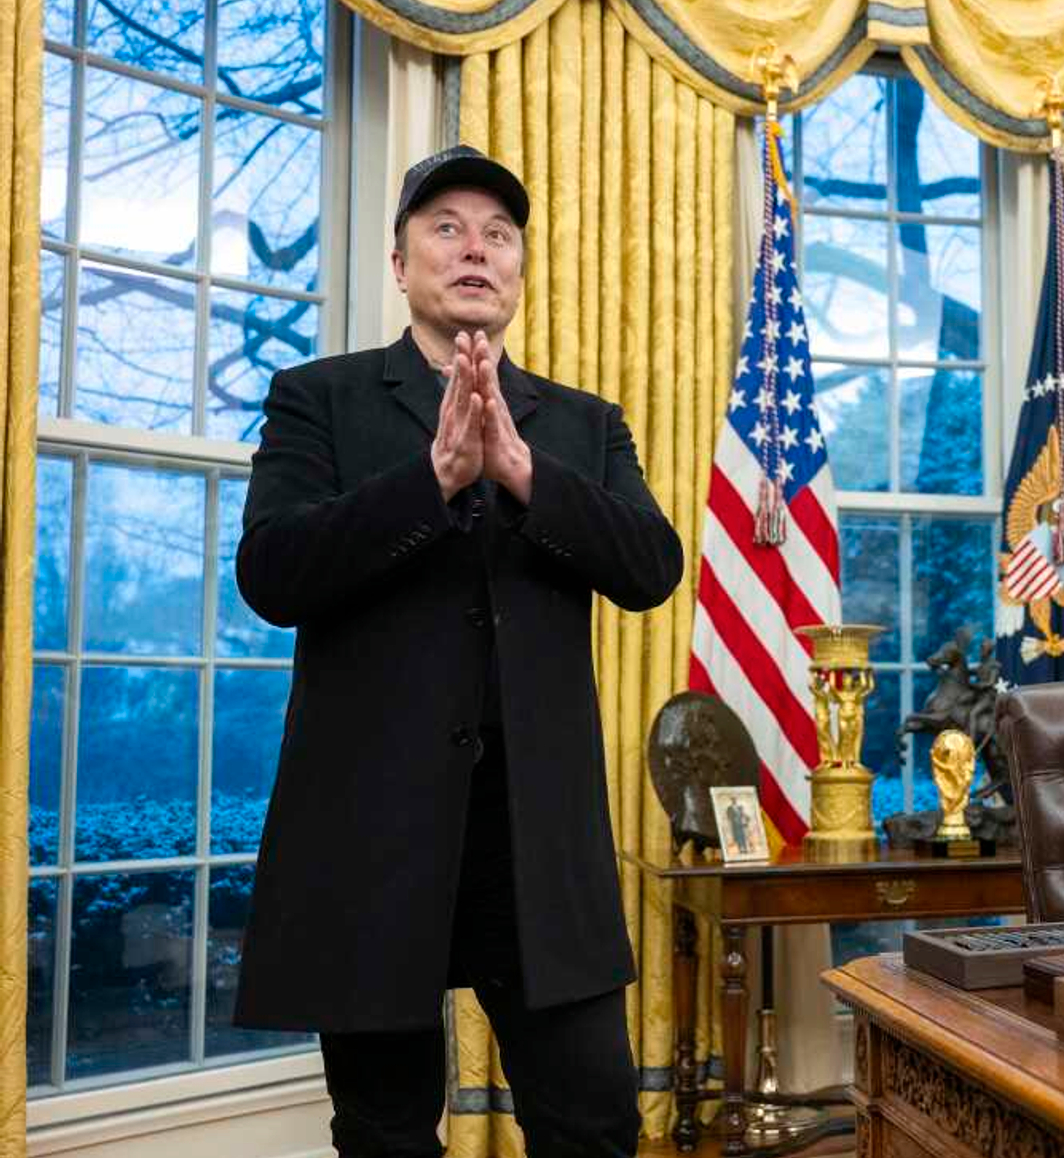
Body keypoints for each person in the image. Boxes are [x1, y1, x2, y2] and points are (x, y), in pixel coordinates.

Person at [232, 145, 683, 1158]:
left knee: (594, 1121)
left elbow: (651, 567)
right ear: (400, 265)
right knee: (384, 1133)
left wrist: (522, 472)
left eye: (498, 233)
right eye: (446, 228)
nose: (476, 248)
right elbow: (271, 573)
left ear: (518, 269)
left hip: (537, 839)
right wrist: (431, 479)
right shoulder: (318, 397)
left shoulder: (584, 425)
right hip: (371, 835)